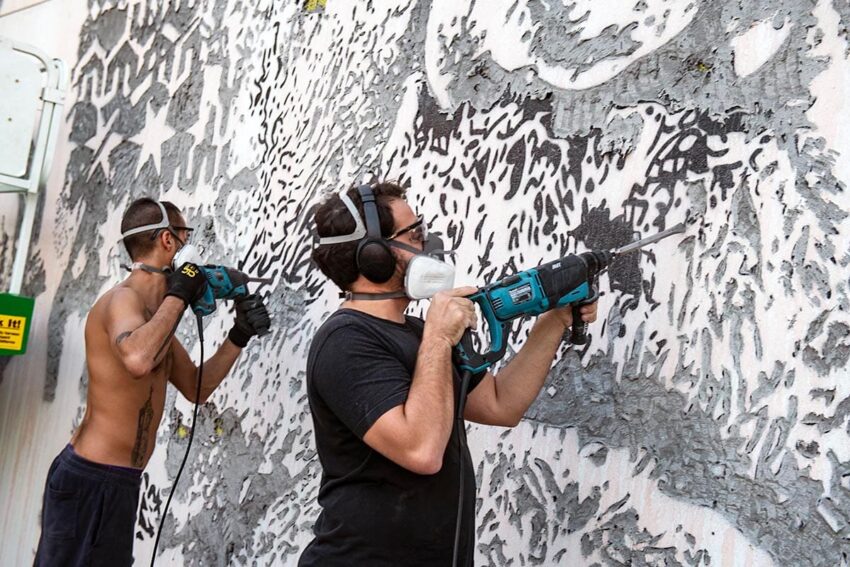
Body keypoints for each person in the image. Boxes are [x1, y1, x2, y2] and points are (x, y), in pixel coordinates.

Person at [300, 182, 598, 566]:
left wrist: (554, 320)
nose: (429, 243)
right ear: (373, 255)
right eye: (416, 234)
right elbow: (420, 451)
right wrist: (439, 337)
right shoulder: (345, 342)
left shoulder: (416, 335)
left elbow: (499, 404)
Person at [34, 198, 271, 566]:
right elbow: (138, 360)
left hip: (120, 484)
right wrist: (180, 292)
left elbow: (196, 386)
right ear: (167, 240)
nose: (189, 244)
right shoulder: (120, 302)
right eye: (185, 235)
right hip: (90, 479)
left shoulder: (154, 321)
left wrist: (238, 335)